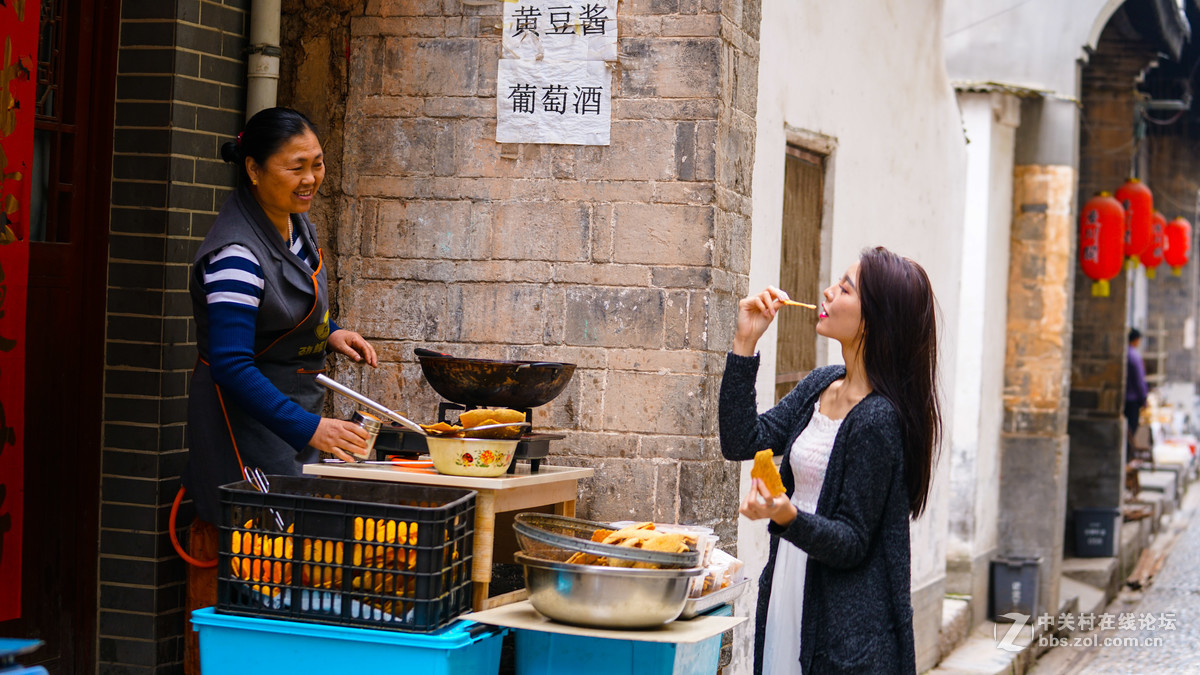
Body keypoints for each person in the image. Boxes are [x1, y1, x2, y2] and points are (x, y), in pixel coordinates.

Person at [181, 107, 378, 673]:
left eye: (316, 164)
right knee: (257, 565)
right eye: (296, 168)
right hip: (243, 424)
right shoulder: (236, 257)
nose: (311, 178)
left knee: (297, 557)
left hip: (290, 413)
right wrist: (312, 428)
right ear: (253, 169)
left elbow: (295, 302)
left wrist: (332, 330)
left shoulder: (297, 227)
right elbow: (231, 367)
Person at [719, 246, 941, 675]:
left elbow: (852, 541)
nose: (827, 292)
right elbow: (742, 439)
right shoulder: (823, 383)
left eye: (844, 288)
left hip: (842, 621)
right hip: (789, 581)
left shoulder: (878, 418)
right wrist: (745, 343)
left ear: (873, 319)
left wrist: (786, 514)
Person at [1125, 327, 1150, 461]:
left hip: (1127, 398)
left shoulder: (1127, 354)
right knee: (1130, 431)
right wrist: (1144, 398)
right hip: (1132, 399)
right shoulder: (1134, 356)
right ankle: (1127, 458)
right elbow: (1139, 380)